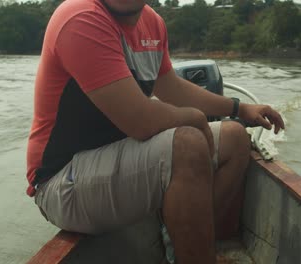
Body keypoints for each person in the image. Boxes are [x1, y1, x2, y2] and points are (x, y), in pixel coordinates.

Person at [26, 0, 284, 263]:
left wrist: (240, 109)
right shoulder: (80, 18)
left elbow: (172, 88)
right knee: (187, 146)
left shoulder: (152, 24)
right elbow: (141, 122)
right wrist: (195, 120)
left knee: (236, 139)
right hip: (61, 181)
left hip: (121, 159)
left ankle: (188, 244)